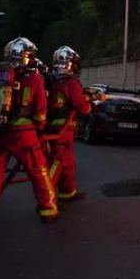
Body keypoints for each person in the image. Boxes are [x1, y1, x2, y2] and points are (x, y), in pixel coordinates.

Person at [0, 37, 58, 229]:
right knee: (38, 171)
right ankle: (48, 210)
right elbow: (40, 112)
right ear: (27, 57)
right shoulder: (34, 79)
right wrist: (39, 128)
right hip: (23, 135)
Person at [42, 46, 91, 202]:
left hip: (53, 127)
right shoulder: (71, 82)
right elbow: (82, 108)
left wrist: (85, 94)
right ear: (70, 63)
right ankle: (46, 199)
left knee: (68, 163)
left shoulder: (52, 80)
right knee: (57, 162)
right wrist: (90, 102)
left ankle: (67, 191)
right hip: (62, 130)